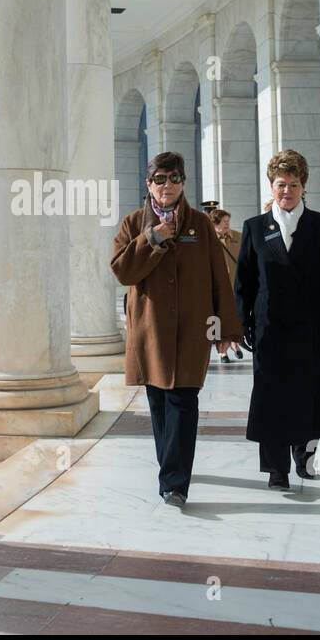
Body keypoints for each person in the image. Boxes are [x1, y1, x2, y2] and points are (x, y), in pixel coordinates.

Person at [111, 152, 243, 507]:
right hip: (151, 331)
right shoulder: (133, 223)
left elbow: (219, 277)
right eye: (159, 178)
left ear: (183, 182)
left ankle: (175, 484)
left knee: (184, 402)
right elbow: (123, 272)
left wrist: (226, 329)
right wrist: (152, 238)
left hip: (192, 330)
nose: (167, 185)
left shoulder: (200, 225)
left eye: (174, 178)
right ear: (148, 184)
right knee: (159, 405)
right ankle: (171, 469)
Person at [234, 149, 320, 489]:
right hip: (270, 330)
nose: (287, 191)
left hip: (313, 329)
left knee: (311, 394)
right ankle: (276, 468)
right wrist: (243, 324)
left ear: (304, 187)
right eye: (280, 184)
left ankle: (306, 458)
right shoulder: (255, 228)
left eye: (294, 184)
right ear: (271, 187)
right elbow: (243, 282)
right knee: (272, 397)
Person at [208, 208, 244, 364]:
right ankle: (221, 352)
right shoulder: (208, 240)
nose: (227, 224)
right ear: (215, 223)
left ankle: (235, 343)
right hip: (216, 289)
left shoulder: (239, 237)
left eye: (228, 221)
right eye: (224, 222)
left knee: (235, 317)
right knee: (216, 320)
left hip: (236, 286)